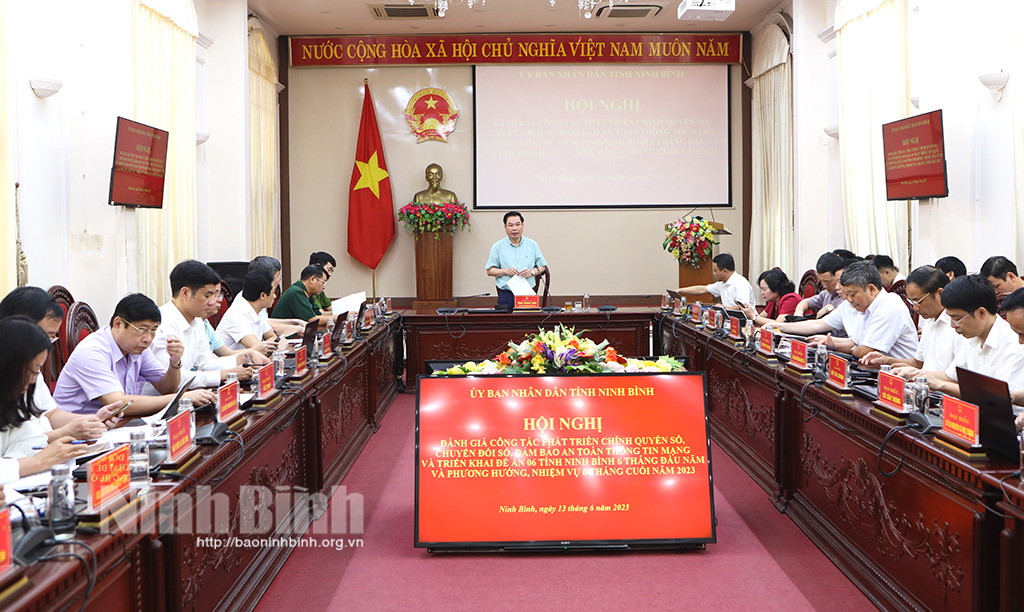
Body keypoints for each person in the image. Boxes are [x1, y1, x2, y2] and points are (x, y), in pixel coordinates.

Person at [54, 293, 214, 416]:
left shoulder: (137, 348)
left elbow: (165, 388)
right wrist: (181, 397)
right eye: (142, 329)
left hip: (115, 426)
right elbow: (118, 403)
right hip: (78, 434)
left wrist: (174, 363)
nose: (148, 339)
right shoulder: (92, 352)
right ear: (118, 324)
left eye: (153, 331)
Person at [0, 287, 119, 443]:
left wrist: (93, 420)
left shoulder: (30, 370)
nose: (48, 345)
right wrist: (66, 433)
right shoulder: (11, 371)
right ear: (21, 327)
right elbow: (16, 445)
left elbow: (50, 414)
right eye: (46, 336)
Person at [892, 275, 1024, 398]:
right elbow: (950, 377)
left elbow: (998, 397)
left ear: (981, 313)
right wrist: (914, 373)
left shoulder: (1014, 343)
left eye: (957, 319)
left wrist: (940, 385)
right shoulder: (973, 336)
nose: (953, 325)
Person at [0, 317, 96, 482]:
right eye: (32, 371)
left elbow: (26, 437)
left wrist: (56, 447)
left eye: (37, 373)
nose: (32, 380)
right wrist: (39, 461)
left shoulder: (12, 396)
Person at [149, 260, 266, 390]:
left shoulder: (197, 320)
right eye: (207, 295)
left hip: (185, 395)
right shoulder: (163, 323)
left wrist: (243, 358)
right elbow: (173, 379)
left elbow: (204, 363)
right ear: (185, 293)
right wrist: (226, 374)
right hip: (158, 403)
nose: (213, 302)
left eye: (215, 295)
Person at [772, 261, 919, 360]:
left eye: (853, 295)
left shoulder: (889, 306)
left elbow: (864, 351)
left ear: (872, 289)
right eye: (847, 295)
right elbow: (854, 342)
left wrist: (838, 347)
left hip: (899, 385)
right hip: (873, 373)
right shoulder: (862, 306)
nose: (849, 300)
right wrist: (778, 326)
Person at [860, 266, 962, 372]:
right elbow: (918, 363)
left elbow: (956, 377)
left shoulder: (958, 326)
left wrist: (920, 375)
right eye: (912, 302)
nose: (915, 307)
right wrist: (887, 360)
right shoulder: (929, 322)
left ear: (940, 293)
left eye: (918, 301)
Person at [486, 211, 548, 311]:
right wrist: (505, 271)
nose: (514, 228)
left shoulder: (532, 245)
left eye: (518, 224)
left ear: (522, 226)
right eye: (510, 225)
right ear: (505, 228)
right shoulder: (497, 246)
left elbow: (542, 267)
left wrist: (532, 272)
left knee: (529, 323)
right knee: (506, 324)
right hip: (506, 294)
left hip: (527, 294)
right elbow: (489, 271)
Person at [217, 268, 287, 353]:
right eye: (273, 292)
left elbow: (272, 336)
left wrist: (271, 345)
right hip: (231, 364)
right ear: (263, 295)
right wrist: (279, 346)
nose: (275, 296)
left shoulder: (257, 310)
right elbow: (260, 351)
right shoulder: (237, 314)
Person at [249, 255, 307, 337]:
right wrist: (297, 328)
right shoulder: (250, 298)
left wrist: (296, 321)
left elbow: (265, 321)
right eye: (277, 276)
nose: (279, 280)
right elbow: (267, 326)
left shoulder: (261, 293)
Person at [676, 253, 756, 308]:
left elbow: (743, 308)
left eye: (715, 271)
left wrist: (723, 308)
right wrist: (680, 291)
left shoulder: (740, 283)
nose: (714, 274)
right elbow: (702, 289)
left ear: (724, 271)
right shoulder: (721, 283)